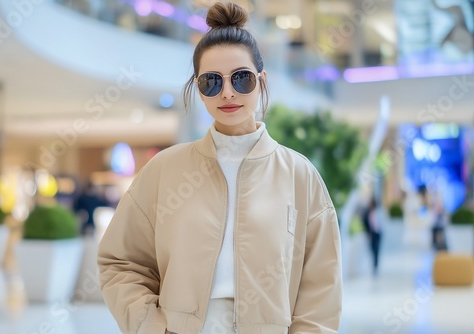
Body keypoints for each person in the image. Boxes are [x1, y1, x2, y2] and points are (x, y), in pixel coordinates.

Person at [97, 3, 342, 334]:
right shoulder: (165, 170)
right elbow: (120, 262)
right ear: (197, 87)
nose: (227, 92)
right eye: (211, 81)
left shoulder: (300, 175)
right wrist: (152, 327)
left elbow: (321, 286)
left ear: (262, 80)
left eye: (241, 79)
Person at [362, 197, 382, 275]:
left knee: (377, 249)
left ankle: (376, 265)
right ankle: (373, 265)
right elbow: (365, 223)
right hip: (372, 234)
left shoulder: (378, 212)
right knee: (372, 249)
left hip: (377, 233)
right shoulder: (367, 213)